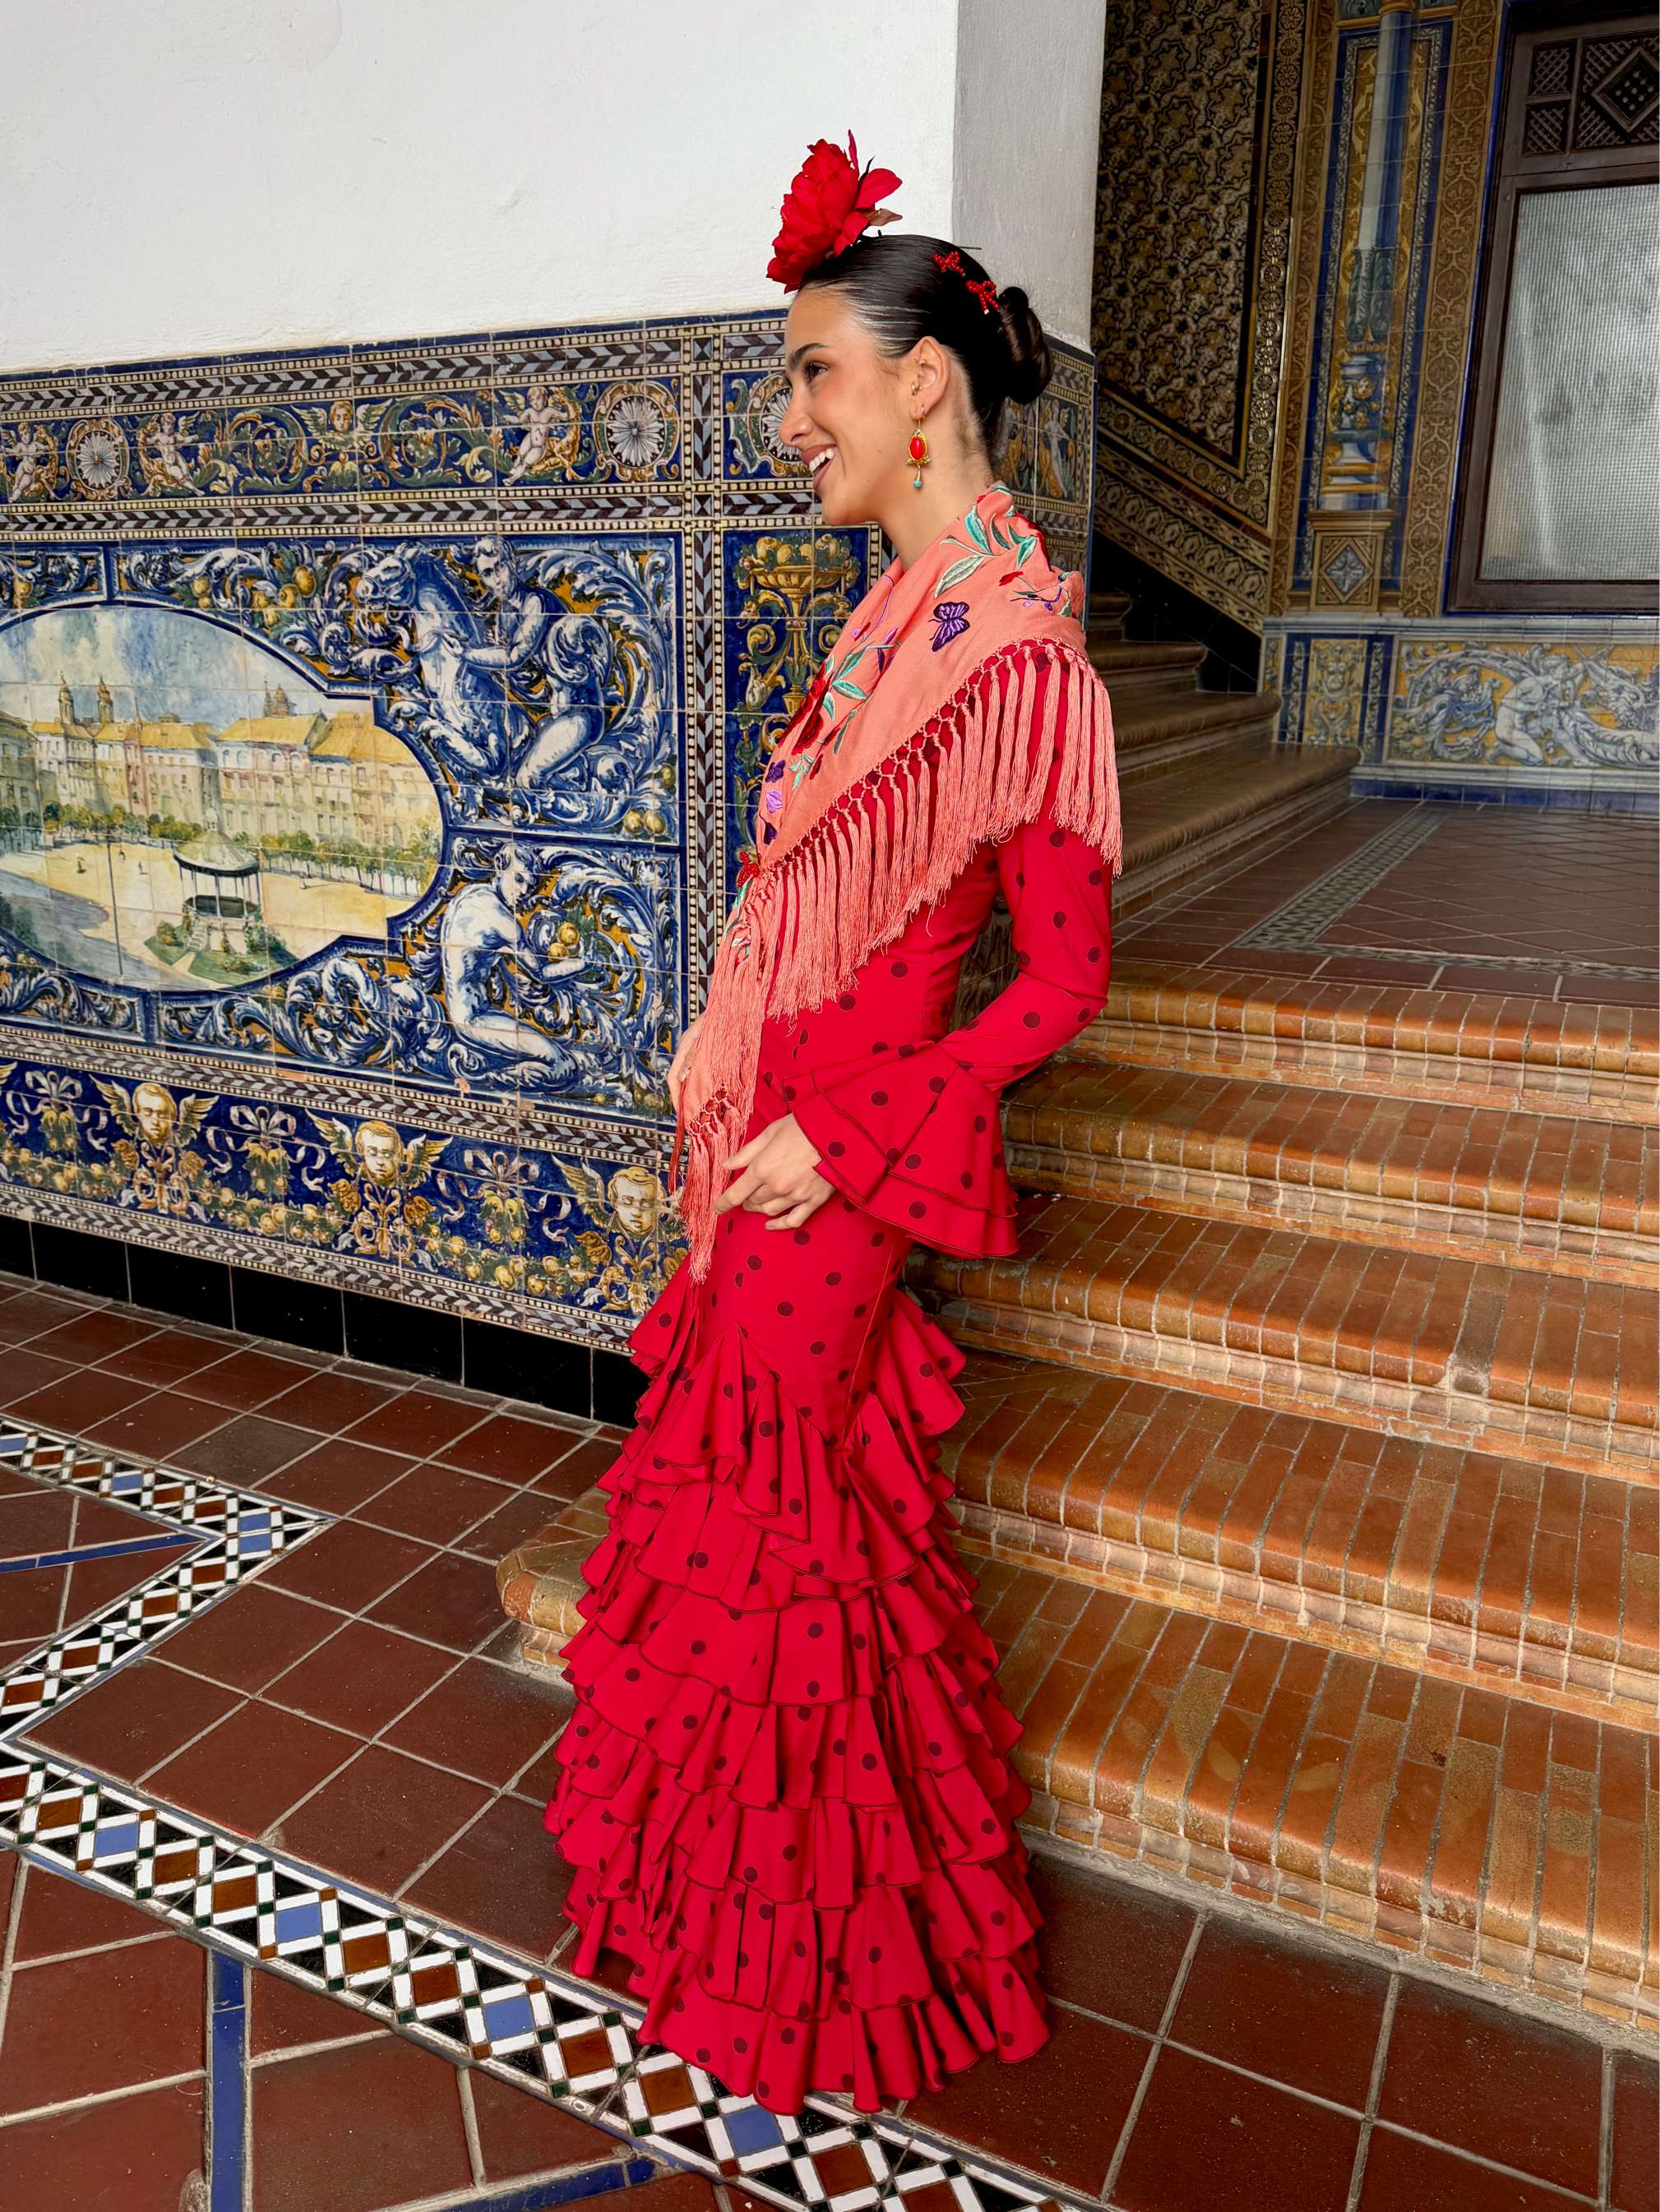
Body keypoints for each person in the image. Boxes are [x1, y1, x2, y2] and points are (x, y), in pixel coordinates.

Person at [543, 132, 1121, 2117]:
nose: (788, 416)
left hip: (842, 1165)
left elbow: (1052, 982)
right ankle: (725, 1902)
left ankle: (823, 1959)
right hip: (762, 1150)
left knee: (796, 1544)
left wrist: (858, 1135)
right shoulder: (885, 625)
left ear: (921, 386)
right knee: (759, 1529)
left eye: (811, 373)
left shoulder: (1016, 654)